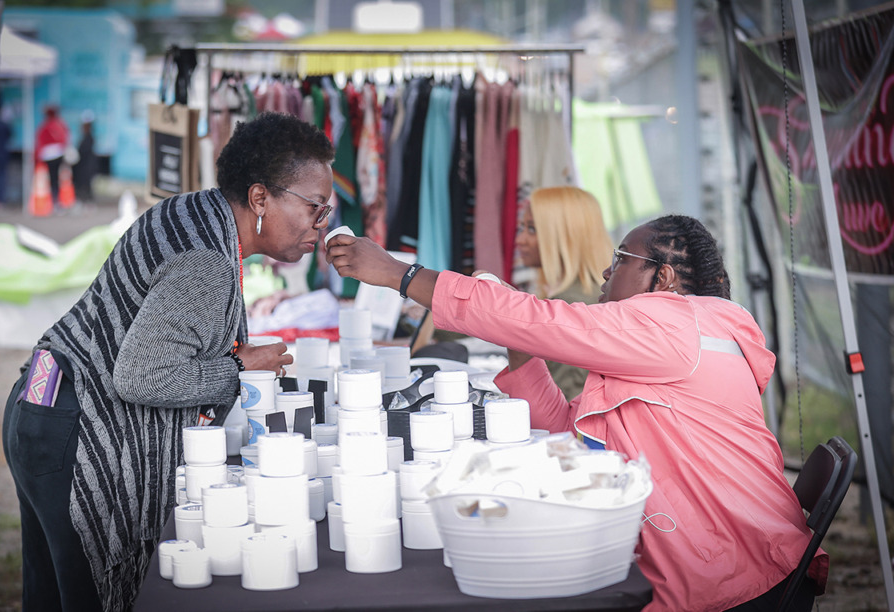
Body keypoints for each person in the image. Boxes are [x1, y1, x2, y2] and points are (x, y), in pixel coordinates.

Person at [326, 214, 825, 611]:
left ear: (664, 278)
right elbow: (572, 435)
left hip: (734, 578)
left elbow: (548, 320)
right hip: (725, 561)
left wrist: (399, 274)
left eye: (621, 258)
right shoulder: (661, 343)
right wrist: (519, 347)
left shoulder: (680, 323)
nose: (607, 273)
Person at [3, 111, 335, 611]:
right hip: (72, 435)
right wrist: (241, 369)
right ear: (260, 197)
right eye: (315, 207)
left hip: (43, 403)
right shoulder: (208, 260)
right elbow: (141, 376)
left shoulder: (196, 212)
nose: (321, 225)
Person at [515, 186, 612, 398]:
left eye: (532, 229)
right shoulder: (594, 295)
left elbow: (564, 401)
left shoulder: (569, 306)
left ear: (564, 235)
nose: (520, 240)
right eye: (522, 228)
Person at [35, 104, 70, 209]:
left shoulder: (46, 126)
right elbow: (65, 138)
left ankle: (55, 201)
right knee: (56, 179)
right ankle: (56, 201)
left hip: (49, 156)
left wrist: (37, 156)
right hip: (58, 154)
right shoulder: (59, 125)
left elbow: (40, 141)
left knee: (52, 179)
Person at [74, 110, 97, 203]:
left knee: (86, 184)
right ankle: (85, 199)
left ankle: (87, 200)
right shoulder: (85, 137)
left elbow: (83, 151)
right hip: (84, 165)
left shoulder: (89, 138)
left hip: (87, 165)